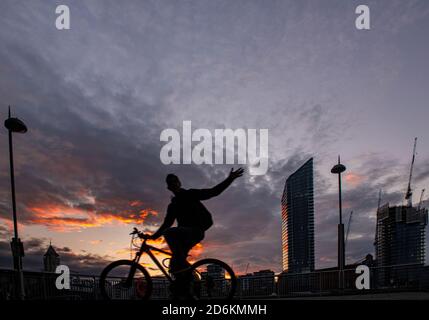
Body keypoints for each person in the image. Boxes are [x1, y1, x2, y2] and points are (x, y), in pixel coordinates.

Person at [145, 167, 244, 298]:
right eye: (170, 183)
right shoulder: (173, 206)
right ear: (169, 188)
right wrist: (153, 237)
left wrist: (230, 179)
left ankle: (186, 271)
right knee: (174, 266)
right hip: (184, 236)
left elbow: (213, 192)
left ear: (179, 183)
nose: (173, 184)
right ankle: (187, 287)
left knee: (170, 236)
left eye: (175, 181)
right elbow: (166, 223)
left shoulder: (190, 194)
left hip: (196, 231)